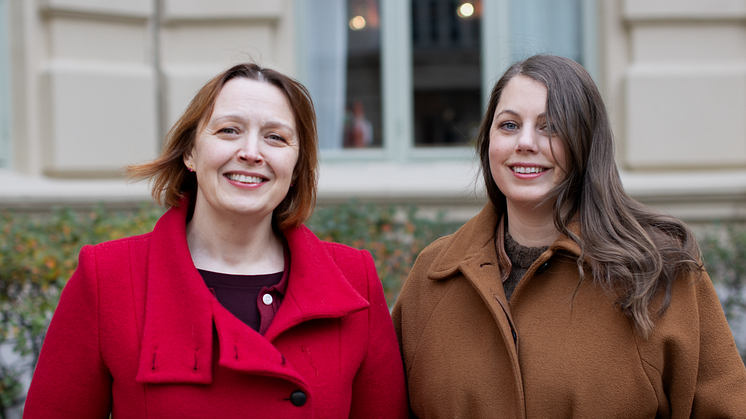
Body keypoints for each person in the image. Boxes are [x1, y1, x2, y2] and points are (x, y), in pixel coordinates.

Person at [24, 63, 408, 418]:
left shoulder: (353, 280)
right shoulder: (107, 278)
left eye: (275, 137)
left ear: (295, 168)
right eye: (229, 130)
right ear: (190, 152)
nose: (251, 152)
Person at [392, 54, 746, 418]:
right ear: (488, 143)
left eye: (550, 127)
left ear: (586, 143)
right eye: (509, 125)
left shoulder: (658, 272)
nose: (525, 142)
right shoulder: (433, 276)